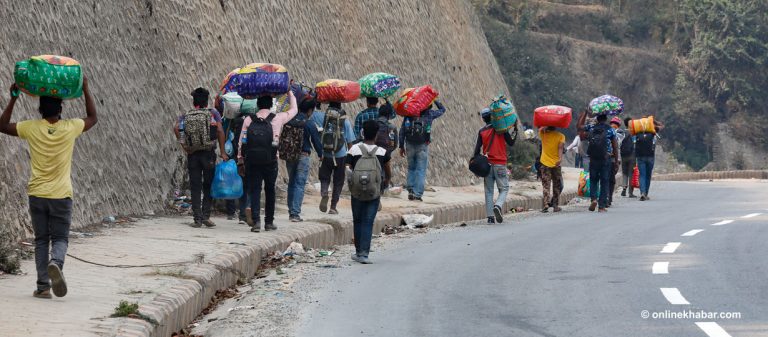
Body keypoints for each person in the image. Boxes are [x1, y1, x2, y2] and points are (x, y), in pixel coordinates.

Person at [0, 78, 97, 299]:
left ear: (40, 109)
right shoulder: (70, 128)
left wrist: (13, 99)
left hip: (37, 194)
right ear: (61, 109)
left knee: (41, 240)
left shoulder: (32, 128)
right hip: (61, 194)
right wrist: (86, 90)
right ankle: (56, 263)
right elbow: (93, 117)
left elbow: (2, 126)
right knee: (60, 239)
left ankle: (43, 287)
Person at [238, 92, 298, 232]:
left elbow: (242, 142)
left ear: (257, 104)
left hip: (252, 160)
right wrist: (289, 92)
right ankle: (269, 222)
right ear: (271, 105)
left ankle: (256, 222)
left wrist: (240, 160)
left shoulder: (248, 119)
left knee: (255, 189)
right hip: (270, 160)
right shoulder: (277, 118)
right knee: (270, 190)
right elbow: (294, 110)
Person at [175, 88, 228, 228]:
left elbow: (176, 128)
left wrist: (184, 146)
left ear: (194, 102)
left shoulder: (186, 115)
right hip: (208, 153)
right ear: (206, 101)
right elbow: (220, 131)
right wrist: (222, 151)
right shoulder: (213, 113)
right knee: (208, 185)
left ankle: (197, 219)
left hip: (192, 154)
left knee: (195, 185)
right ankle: (206, 216)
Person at [346, 120, 392, 264]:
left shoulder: (354, 149)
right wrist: (385, 182)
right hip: (374, 192)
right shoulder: (382, 152)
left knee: (358, 220)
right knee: (368, 221)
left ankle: (358, 251)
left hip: (357, 191)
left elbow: (347, 168)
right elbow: (387, 171)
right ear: (377, 134)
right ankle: (364, 254)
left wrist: (353, 183)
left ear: (362, 133)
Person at [282, 97, 322, 222]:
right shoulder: (309, 123)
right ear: (310, 110)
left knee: (292, 182)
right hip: (303, 156)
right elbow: (316, 141)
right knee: (300, 184)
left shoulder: (289, 120)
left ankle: (290, 211)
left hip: (290, 155)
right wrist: (321, 154)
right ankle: (295, 213)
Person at [473, 108, 516, 223]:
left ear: (483, 118)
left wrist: (476, 168)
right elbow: (511, 143)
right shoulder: (501, 129)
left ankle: (490, 218)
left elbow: (476, 151)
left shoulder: (481, 131)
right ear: (492, 116)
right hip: (500, 164)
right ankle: (498, 205)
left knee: (488, 191)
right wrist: (515, 130)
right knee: (504, 188)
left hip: (487, 166)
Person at [312, 101, 356, 214]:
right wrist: (351, 158)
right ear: (340, 107)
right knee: (338, 181)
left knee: (324, 177)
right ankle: (333, 207)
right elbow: (350, 142)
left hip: (326, 153)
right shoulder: (344, 121)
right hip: (340, 155)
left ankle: (325, 193)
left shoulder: (324, 118)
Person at [399, 100, 446, 201]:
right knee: (420, 170)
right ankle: (417, 194)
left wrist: (401, 146)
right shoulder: (430, 114)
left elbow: (402, 130)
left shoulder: (409, 114)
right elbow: (442, 110)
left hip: (409, 144)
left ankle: (411, 190)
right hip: (422, 145)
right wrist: (436, 100)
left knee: (411, 168)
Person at [577, 110, 618, 213]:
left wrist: (585, 113)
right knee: (604, 182)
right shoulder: (610, 130)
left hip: (593, 158)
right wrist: (616, 161)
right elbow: (615, 146)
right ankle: (601, 206)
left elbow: (579, 126)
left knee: (594, 180)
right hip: (606, 159)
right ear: (606, 119)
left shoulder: (591, 127)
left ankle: (594, 199)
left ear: (597, 119)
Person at [635, 117, 664, 201]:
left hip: (640, 156)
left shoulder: (637, 132)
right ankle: (646, 193)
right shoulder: (653, 132)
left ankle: (642, 193)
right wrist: (654, 121)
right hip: (650, 156)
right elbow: (662, 126)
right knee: (648, 175)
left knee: (642, 175)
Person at [539, 126, 565, 213]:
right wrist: (560, 159)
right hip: (556, 164)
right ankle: (555, 206)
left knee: (546, 185)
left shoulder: (543, 134)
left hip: (545, 163)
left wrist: (546, 127)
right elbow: (560, 148)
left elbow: (540, 128)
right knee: (556, 185)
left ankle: (546, 204)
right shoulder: (561, 136)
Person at [607, 117, 626, 207]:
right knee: (607, 178)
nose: (613, 125)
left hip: (615, 159)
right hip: (607, 158)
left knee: (611, 178)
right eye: (612, 123)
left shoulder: (620, 133)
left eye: (615, 124)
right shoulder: (607, 131)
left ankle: (609, 197)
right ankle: (606, 196)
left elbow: (617, 141)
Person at [620, 117, 637, 198]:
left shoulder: (622, 132)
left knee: (624, 173)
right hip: (632, 156)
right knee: (631, 174)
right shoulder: (633, 133)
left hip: (623, 156)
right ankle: (630, 192)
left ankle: (624, 189)